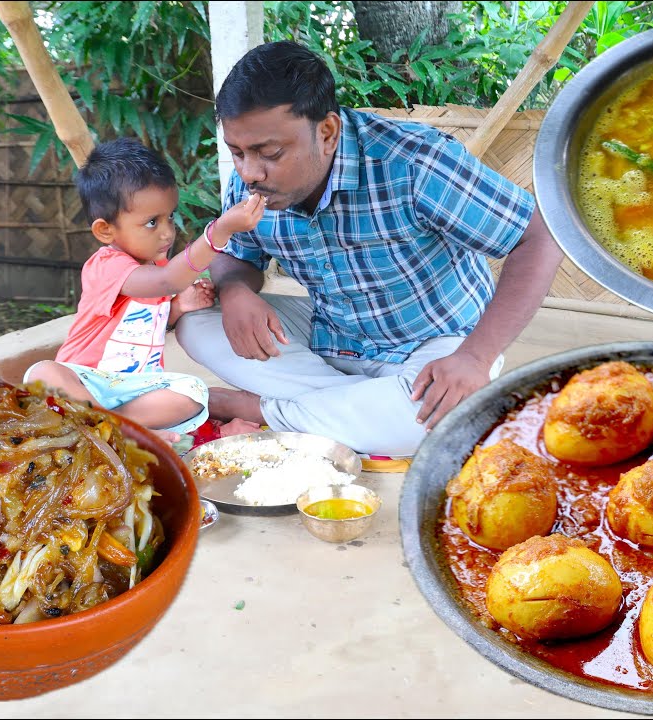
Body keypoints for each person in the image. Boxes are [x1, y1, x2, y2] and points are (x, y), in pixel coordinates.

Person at [175, 41, 564, 458]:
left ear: (327, 132)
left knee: (443, 411)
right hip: (332, 337)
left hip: (435, 345)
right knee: (195, 323)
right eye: (237, 153)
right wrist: (236, 292)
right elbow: (237, 255)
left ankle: (266, 409)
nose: (250, 172)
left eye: (270, 153)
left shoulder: (414, 163)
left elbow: (540, 236)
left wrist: (476, 358)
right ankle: (368, 408)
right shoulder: (251, 182)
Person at [25, 137, 266, 447]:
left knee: (192, 392)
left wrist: (178, 308)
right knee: (43, 372)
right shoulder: (107, 266)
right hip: (88, 384)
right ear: (105, 230)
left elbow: (146, 324)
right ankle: (110, 426)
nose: (167, 231)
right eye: (152, 222)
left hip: (137, 392)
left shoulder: (158, 266)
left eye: (170, 217)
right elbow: (167, 281)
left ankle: (115, 428)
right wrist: (220, 231)